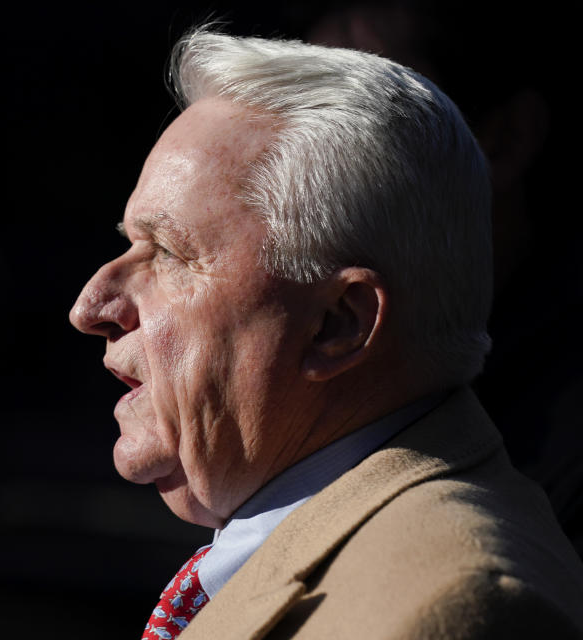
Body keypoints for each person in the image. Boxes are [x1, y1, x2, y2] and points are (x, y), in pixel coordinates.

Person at [68, 28, 583, 640]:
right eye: (129, 243)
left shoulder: (450, 608)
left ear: (338, 325)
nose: (92, 305)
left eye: (171, 255)